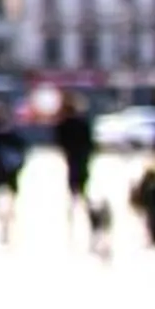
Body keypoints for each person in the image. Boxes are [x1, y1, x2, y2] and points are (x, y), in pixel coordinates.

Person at [54, 96, 97, 228]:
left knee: (75, 191)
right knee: (82, 190)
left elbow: (60, 141)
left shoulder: (64, 125)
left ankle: (74, 219)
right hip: (81, 160)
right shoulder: (81, 124)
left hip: (73, 160)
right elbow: (90, 143)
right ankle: (88, 217)